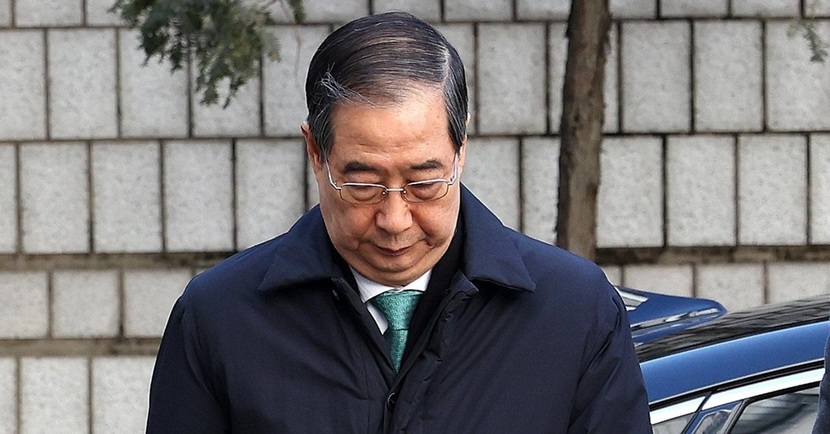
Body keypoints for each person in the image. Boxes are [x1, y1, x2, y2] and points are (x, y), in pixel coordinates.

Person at [146, 11, 651, 433]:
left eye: (423, 182)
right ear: (316, 152)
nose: (394, 219)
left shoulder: (575, 312)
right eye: (363, 184)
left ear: (460, 148)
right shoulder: (219, 318)